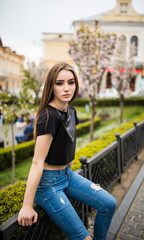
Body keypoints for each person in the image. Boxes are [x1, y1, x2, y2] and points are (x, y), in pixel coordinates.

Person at [18, 62, 117, 240]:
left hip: (67, 176)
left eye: (71, 82)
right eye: (59, 83)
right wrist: (27, 205)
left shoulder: (71, 111)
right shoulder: (48, 116)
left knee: (109, 204)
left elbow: (69, 141)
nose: (66, 88)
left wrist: (68, 168)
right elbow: (37, 162)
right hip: (48, 185)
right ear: (51, 86)